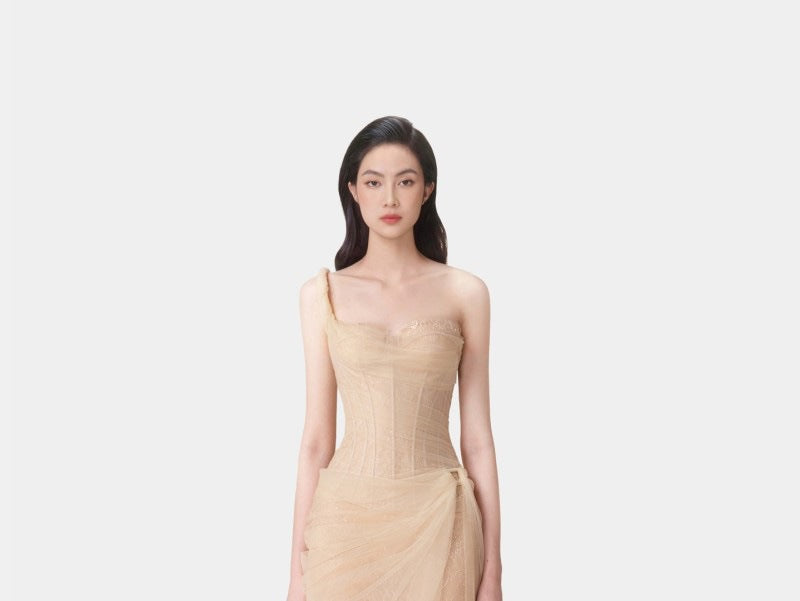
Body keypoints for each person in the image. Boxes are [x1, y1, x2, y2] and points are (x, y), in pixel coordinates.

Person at [286, 116, 503, 601]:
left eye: (404, 182)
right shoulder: (322, 294)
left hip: (440, 522)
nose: (389, 198)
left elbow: (478, 441)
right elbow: (316, 441)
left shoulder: (466, 293)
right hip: (346, 524)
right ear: (352, 191)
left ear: (427, 190)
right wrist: (296, 578)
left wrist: (493, 572)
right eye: (373, 182)